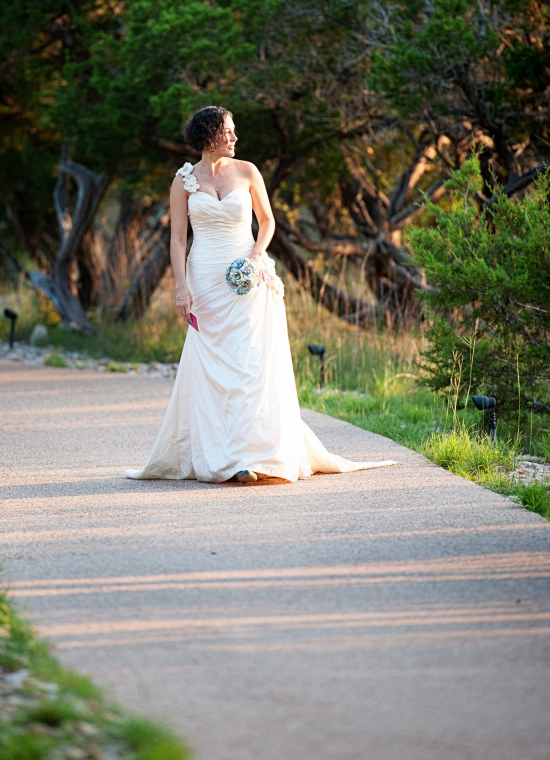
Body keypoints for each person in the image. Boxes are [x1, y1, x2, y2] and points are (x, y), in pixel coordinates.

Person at [125, 106, 395, 484]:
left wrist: (254, 259)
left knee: (250, 365)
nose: (234, 138)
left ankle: (252, 456)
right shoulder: (183, 181)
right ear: (208, 136)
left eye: (234, 132)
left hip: (246, 276)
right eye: (228, 132)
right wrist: (180, 289)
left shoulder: (248, 171)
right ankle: (223, 456)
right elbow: (176, 239)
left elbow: (267, 221)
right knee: (213, 368)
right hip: (203, 279)